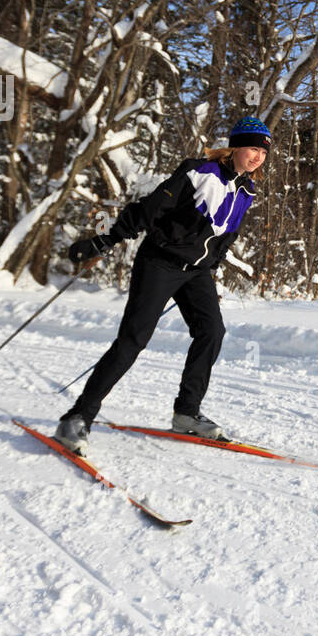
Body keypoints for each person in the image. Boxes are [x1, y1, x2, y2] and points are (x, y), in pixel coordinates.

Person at [54, 116, 271, 455]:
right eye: (251, 148)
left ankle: (186, 413)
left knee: (212, 331)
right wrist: (105, 240)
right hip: (160, 262)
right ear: (235, 147)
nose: (257, 156)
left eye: (262, 151)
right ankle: (77, 417)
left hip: (196, 272)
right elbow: (151, 208)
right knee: (133, 339)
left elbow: (228, 233)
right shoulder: (200, 172)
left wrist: (212, 263)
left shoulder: (247, 189)